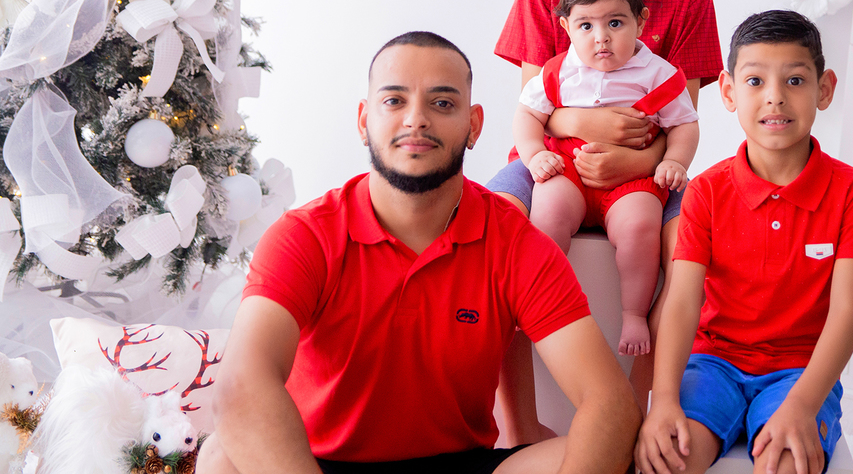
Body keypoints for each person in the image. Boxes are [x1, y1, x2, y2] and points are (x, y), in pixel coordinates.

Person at [197, 32, 641, 474]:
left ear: (474, 125)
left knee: (593, 448)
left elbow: (609, 404)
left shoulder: (518, 243)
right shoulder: (305, 235)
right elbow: (240, 387)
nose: (416, 120)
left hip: (461, 463)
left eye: (442, 103)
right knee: (222, 456)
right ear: (363, 120)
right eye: (393, 101)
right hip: (317, 464)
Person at [490, 0, 722, 439]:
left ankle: (645, 408)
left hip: (647, 160)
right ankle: (517, 423)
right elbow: (533, 104)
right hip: (546, 155)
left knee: (692, 240)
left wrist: (634, 163)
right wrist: (578, 126)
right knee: (490, 226)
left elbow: (683, 115)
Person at [636, 11, 853, 474]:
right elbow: (683, 302)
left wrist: (803, 404)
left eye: (794, 80)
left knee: (786, 463)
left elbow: (848, 313)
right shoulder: (705, 190)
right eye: (754, 81)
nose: (774, 97)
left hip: (801, 373)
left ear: (824, 89)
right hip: (714, 364)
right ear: (728, 91)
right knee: (667, 460)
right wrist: (663, 399)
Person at [514, 0, 700, 357]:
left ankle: (633, 313)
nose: (601, 37)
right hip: (569, 170)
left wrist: (674, 161)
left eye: (615, 23)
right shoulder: (557, 71)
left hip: (632, 179)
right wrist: (533, 157)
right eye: (586, 25)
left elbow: (684, 124)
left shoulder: (659, 74)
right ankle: (539, 300)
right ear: (566, 27)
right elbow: (528, 115)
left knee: (639, 228)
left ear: (641, 21)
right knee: (546, 215)